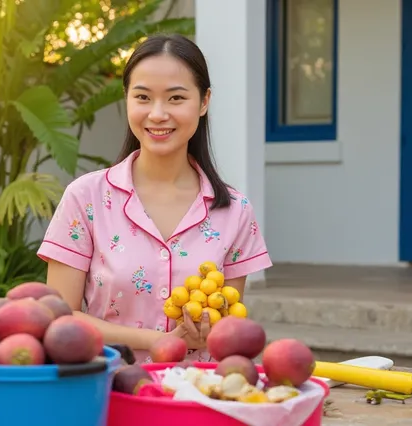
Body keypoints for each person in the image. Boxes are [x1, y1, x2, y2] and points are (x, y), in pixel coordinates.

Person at [37, 33, 272, 363]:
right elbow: (58, 316)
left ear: (204, 101)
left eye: (176, 98)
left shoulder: (234, 210)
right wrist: (157, 341)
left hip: (198, 398)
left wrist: (211, 332)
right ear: (127, 99)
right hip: (110, 394)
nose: (158, 114)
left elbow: (229, 321)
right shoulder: (86, 198)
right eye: (143, 97)